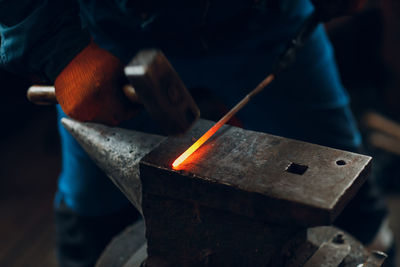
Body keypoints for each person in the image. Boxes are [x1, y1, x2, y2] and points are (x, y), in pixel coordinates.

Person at [0, 0, 391, 266]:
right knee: (91, 200)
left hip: (270, 19)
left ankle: (374, 243)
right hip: (114, 34)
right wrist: (60, 48)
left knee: (340, 169)